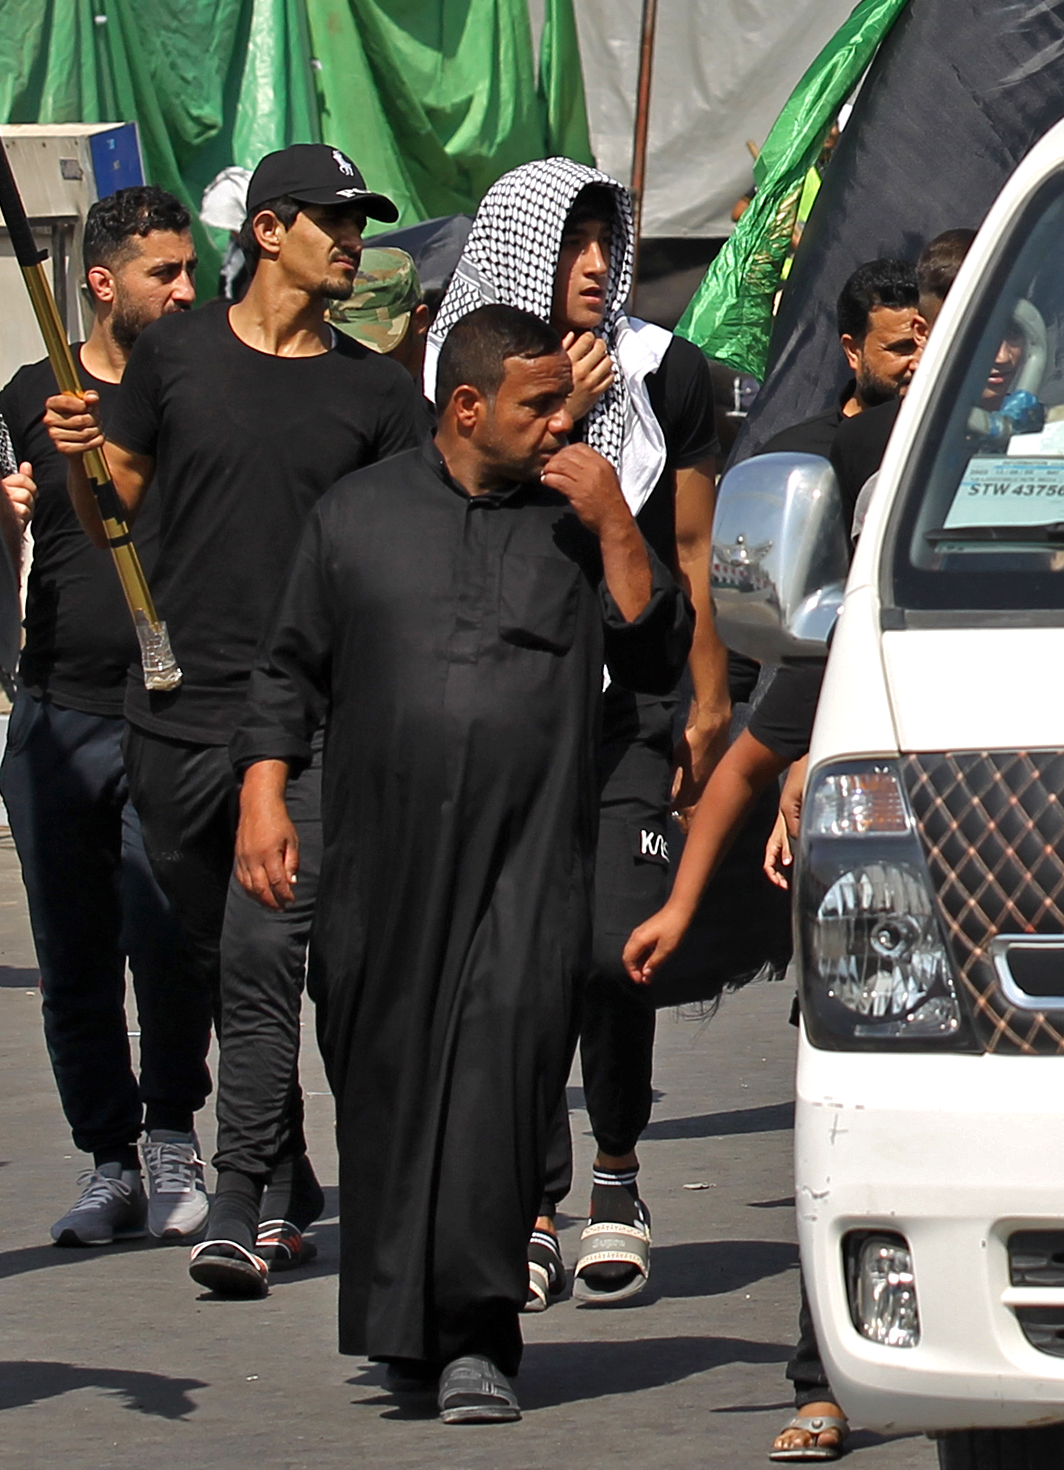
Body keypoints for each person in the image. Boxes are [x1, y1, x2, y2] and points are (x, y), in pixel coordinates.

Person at [235, 302, 687, 1428]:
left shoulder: (576, 514)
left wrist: (616, 520)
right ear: (468, 405)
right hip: (383, 858)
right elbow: (288, 667)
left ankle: (482, 1333)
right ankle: (405, 1328)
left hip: (528, 856)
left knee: (501, 1072)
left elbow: (652, 643)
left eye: (563, 404)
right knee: (384, 1075)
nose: (559, 423)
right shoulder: (357, 515)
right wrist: (261, 795)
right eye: (538, 406)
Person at [54, 140, 428, 1298]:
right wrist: (79, 459)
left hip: (307, 724)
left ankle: (236, 1203)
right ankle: (289, 1170)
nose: (352, 238)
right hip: (172, 715)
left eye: (359, 219)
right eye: (332, 218)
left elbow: (409, 547)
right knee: (220, 955)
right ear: (269, 230)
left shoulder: (374, 389)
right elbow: (116, 497)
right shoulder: (173, 354)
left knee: (268, 953)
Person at [420, 161, 735, 1315]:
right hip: (506, 702)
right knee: (520, 961)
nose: (599, 265)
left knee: (611, 948)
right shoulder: (455, 376)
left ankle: (618, 1175)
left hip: (628, 708)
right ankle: (537, 1204)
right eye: (574, 242)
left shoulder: (670, 374)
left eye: (611, 241)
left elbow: (692, 553)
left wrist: (708, 705)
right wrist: (565, 410)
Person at [0, 185, 214, 1250]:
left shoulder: (207, 379)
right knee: (71, 951)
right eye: (163, 272)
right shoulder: (37, 390)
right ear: (100, 281)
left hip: (169, 707)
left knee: (169, 936)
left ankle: (175, 1135)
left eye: (189, 270)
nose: (184, 289)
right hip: (59, 708)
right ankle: (108, 1156)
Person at [619, 655, 842, 1462]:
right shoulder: (870, 624)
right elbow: (743, 767)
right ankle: (823, 1380)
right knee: (846, 1156)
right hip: (889, 958)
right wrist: (679, 905)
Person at [822, 258, 928, 504]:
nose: (919, 361)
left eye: (928, 343)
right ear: (853, 351)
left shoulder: (962, 440)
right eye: (902, 348)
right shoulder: (803, 456)